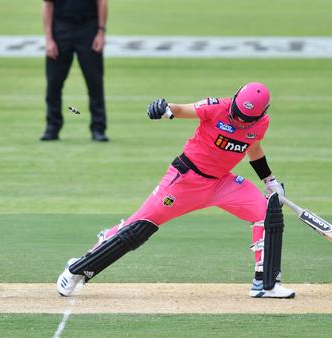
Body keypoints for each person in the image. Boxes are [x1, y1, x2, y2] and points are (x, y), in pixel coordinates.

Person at [56, 82, 296, 299]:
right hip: (185, 181)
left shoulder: (261, 124)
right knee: (138, 227)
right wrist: (164, 109)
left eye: (246, 119)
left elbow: (253, 147)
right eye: (237, 114)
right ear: (233, 100)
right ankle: (77, 269)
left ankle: (265, 284)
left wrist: (269, 180)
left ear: (261, 115)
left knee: (266, 214)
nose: (240, 121)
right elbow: (180, 109)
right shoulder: (217, 107)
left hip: (222, 183)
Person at [40, 0, 109, 142]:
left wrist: (101, 32)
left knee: (94, 81)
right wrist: (48, 39)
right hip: (60, 28)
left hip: (89, 28)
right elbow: (47, 4)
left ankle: (98, 128)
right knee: (54, 82)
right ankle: (52, 127)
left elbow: (102, 2)